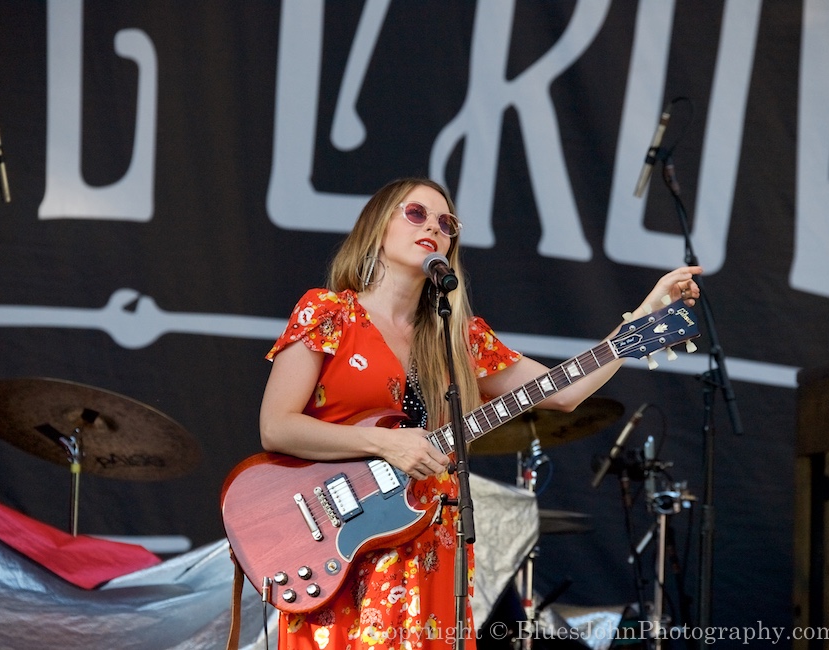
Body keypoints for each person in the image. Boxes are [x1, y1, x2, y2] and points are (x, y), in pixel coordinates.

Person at [259, 177, 701, 650]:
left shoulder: (459, 338)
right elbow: (277, 427)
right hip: (338, 542)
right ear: (375, 228)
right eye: (416, 214)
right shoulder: (327, 312)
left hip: (429, 542)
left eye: (446, 223)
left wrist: (636, 325)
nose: (434, 227)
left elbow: (563, 393)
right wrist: (384, 442)